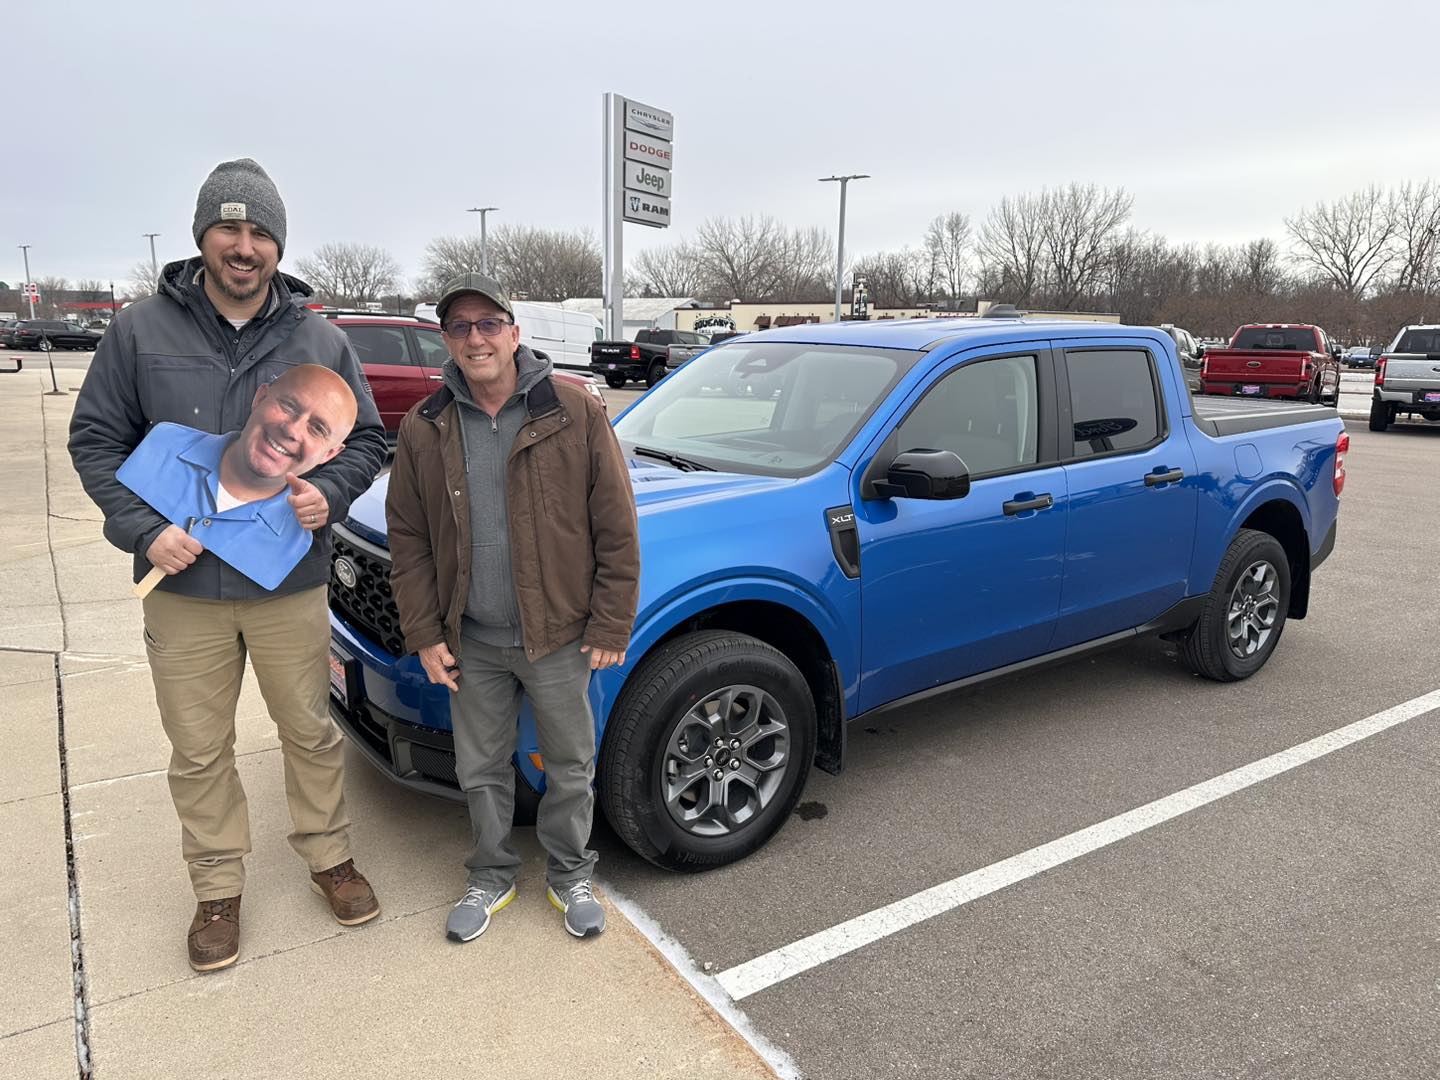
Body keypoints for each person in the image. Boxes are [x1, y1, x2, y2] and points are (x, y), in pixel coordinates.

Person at [68, 158, 389, 973]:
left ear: (277, 245)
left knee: (311, 731)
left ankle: (329, 858)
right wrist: (142, 531)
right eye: (230, 229)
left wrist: (329, 490)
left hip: (289, 583)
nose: (244, 247)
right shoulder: (141, 330)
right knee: (199, 747)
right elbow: (96, 441)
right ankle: (217, 888)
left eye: (260, 233)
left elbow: (371, 442)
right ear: (202, 236)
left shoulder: (318, 339)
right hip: (185, 586)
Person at [385, 272, 639, 942]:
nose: (476, 339)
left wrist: (612, 619)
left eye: (489, 324)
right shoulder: (426, 425)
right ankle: (491, 875)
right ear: (447, 340)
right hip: (471, 639)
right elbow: (407, 538)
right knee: (481, 769)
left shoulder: (574, 410)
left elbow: (616, 522)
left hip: (558, 636)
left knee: (570, 764)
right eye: (461, 328)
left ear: (514, 332)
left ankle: (569, 874)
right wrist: (424, 633)